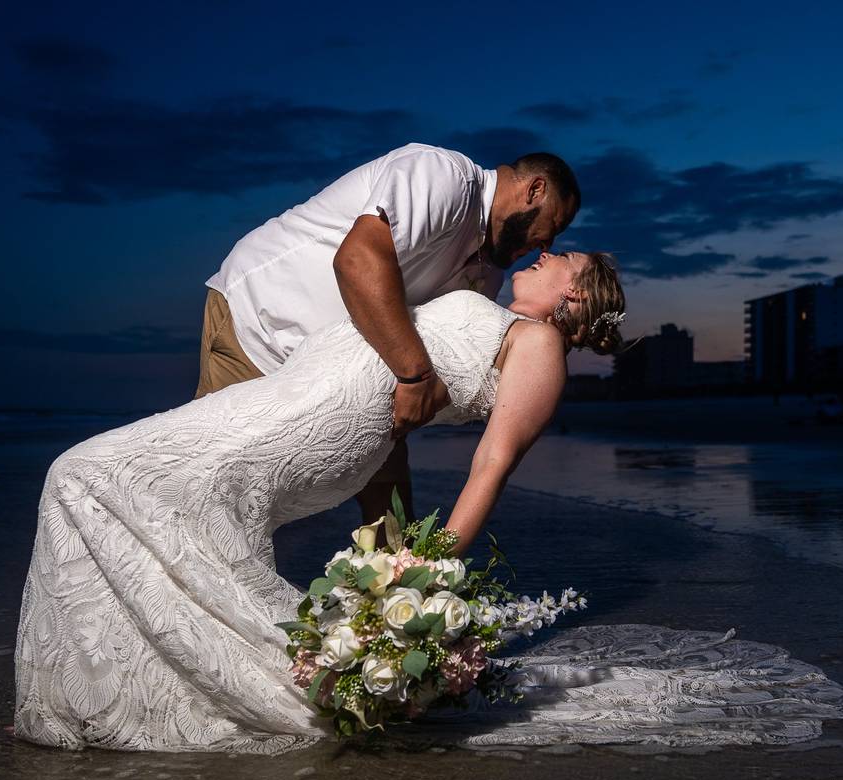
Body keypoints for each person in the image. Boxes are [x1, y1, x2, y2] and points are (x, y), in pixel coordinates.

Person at [14, 252, 843, 754]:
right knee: (120, 487)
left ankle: (164, 687)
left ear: (574, 294)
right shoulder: (498, 312)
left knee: (88, 472)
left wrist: (420, 571)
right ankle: (124, 690)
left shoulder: (540, 348)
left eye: (560, 261)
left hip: (320, 421)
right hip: (303, 395)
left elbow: (489, 466)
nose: (543, 257)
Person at [196, 143, 580, 524]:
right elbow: (357, 260)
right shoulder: (443, 176)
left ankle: (405, 581)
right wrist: (415, 376)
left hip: (346, 373)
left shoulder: (489, 272)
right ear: (534, 190)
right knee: (215, 493)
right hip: (260, 323)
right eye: (554, 226)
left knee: (394, 521)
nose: (547, 245)